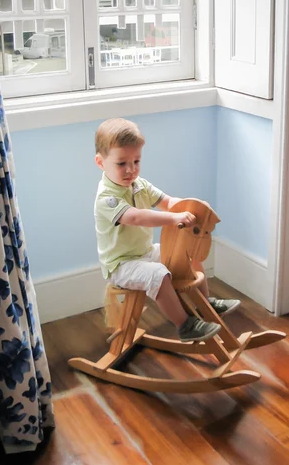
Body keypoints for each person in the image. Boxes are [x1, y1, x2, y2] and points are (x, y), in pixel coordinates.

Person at [94, 118, 241, 343]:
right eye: (122, 163)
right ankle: (185, 325)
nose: (131, 169)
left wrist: (192, 207)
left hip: (145, 252)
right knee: (158, 275)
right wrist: (173, 219)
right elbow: (135, 217)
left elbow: (168, 202)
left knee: (186, 253)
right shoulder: (107, 197)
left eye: (136, 161)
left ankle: (206, 302)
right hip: (121, 264)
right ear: (101, 162)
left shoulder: (139, 184)